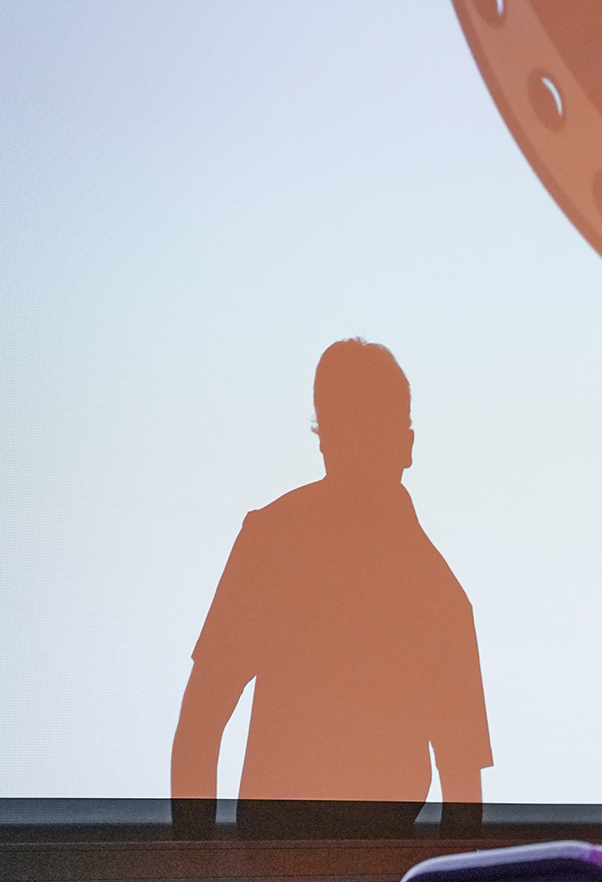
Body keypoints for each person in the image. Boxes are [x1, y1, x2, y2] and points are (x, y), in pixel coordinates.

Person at [171, 339, 491, 831]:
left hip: (337, 877)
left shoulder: (274, 542)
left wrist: (198, 877)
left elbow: (199, 726)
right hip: (315, 876)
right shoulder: (436, 591)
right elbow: (200, 725)